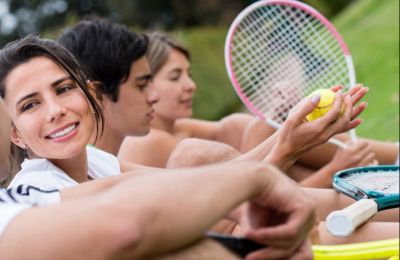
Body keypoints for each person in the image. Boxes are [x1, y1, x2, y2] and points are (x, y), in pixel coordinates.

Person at [0, 38, 320, 260]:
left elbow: (182, 185)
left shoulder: (95, 160)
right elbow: (138, 209)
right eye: (30, 105)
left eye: (63, 88)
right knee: (166, 241)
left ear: (87, 94)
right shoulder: (35, 186)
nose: (55, 110)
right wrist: (276, 158)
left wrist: (283, 144)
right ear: (15, 132)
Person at [118, 32, 398, 188]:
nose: (191, 85)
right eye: (175, 77)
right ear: (145, 84)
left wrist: (281, 114)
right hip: (258, 223)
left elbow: (252, 135)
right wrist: (332, 172)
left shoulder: (178, 128)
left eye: (189, 74)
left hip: (275, 195)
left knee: (243, 126)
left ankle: (394, 155)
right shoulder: (147, 144)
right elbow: (230, 215)